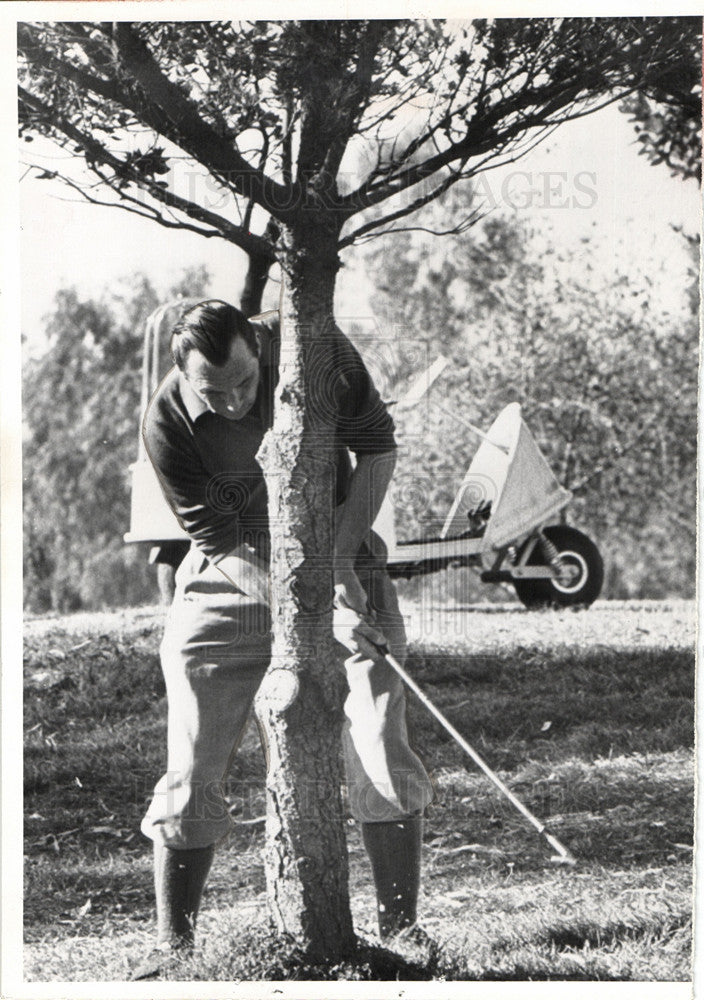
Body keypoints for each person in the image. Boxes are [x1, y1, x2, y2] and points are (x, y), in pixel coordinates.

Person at [132, 300, 433, 978]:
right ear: (184, 377)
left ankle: (403, 933)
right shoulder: (166, 420)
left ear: (258, 346)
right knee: (193, 756)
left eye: (246, 381)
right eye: (217, 391)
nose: (236, 401)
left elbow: (378, 448)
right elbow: (220, 542)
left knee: (381, 734)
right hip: (233, 572)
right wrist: (308, 608)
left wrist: (340, 561)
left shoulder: (316, 354)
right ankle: (172, 948)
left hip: (339, 550)